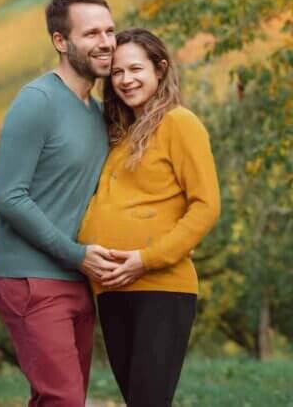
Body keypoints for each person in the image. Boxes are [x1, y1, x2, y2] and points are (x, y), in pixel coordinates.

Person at [0, 0, 119, 407]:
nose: (105, 43)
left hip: (78, 278)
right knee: (62, 399)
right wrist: (74, 253)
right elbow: (8, 196)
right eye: (91, 34)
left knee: (64, 399)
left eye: (109, 31)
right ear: (60, 42)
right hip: (31, 278)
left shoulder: (96, 113)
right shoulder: (37, 101)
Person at [78, 27, 221, 406]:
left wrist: (146, 258)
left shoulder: (179, 123)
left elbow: (206, 205)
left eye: (136, 69)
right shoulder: (120, 136)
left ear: (160, 69)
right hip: (111, 290)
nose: (126, 80)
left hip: (160, 288)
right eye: (118, 73)